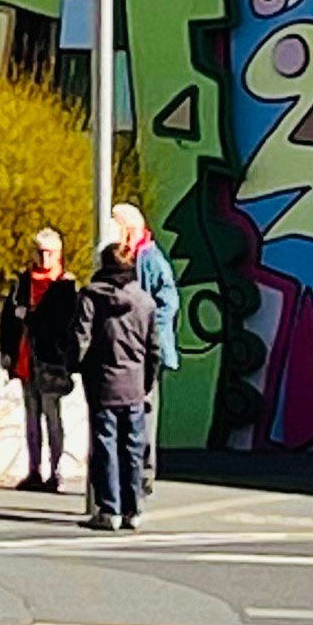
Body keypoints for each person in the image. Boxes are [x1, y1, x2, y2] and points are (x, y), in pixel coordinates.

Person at [82, 242, 158, 530]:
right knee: (133, 447)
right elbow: (153, 349)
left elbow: (81, 339)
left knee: (106, 446)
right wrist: (146, 381)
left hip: (102, 382)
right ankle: (133, 508)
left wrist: (73, 367)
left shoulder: (91, 296)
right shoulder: (145, 302)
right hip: (135, 384)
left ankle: (109, 509)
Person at [0, 231, 78, 493]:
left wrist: (30, 317)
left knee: (52, 417)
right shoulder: (22, 283)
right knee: (31, 417)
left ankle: (57, 471)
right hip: (25, 359)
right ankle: (34, 470)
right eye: (40, 252)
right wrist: (7, 351)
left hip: (51, 362)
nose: (45, 258)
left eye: (50, 252)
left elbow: (59, 324)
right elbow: (8, 320)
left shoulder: (65, 285)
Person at [108, 203, 179, 493]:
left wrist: (148, 331)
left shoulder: (150, 260)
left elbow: (168, 301)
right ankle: (130, 471)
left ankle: (143, 473)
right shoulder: (122, 259)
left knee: (144, 408)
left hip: (143, 347)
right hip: (124, 345)